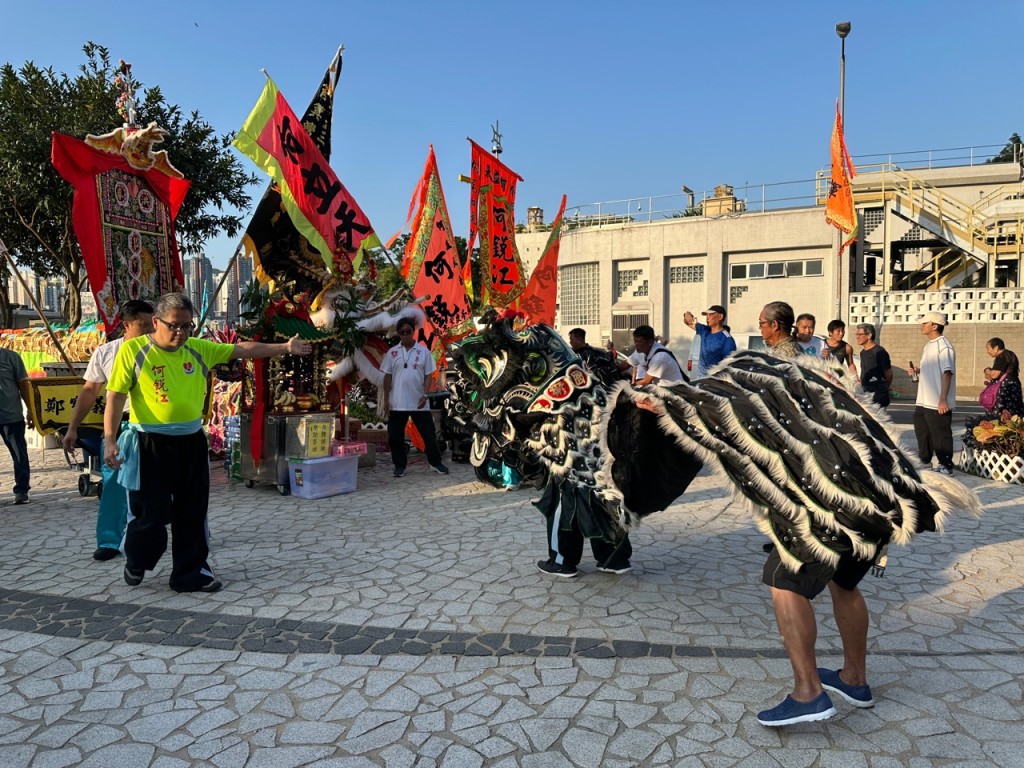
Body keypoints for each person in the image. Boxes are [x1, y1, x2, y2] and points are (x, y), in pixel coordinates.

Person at [104, 292, 313, 593]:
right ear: (155, 322)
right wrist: (110, 439)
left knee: (192, 511)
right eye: (174, 325)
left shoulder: (198, 349)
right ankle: (138, 560)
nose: (181, 333)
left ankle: (189, 574)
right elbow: (115, 397)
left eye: (187, 326)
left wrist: (285, 346)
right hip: (149, 444)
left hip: (190, 442)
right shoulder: (134, 351)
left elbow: (241, 350)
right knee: (151, 516)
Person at [755, 300, 883, 726]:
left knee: (784, 581)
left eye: (761, 323)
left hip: (826, 495)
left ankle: (809, 692)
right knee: (844, 582)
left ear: (773, 327)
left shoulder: (776, 367)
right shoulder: (820, 363)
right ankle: (854, 678)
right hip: (870, 492)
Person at [63, 300, 154, 560]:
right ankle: (109, 541)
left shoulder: (161, 349)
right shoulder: (107, 353)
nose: (150, 329)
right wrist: (73, 428)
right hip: (120, 426)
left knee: (161, 483)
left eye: (152, 324)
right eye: (143, 325)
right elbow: (90, 391)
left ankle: (169, 534)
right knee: (113, 483)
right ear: (126, 325)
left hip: (154, 425)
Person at [380, 316, 449, 478]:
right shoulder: (392, 352)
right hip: (397, 403)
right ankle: (399, 466)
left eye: (408, 331)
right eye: (402, 332)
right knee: (394, 437)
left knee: (429, 435)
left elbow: (428, 376)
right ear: (398, 333)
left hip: (419, 402)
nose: (405, 334)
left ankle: (435, 463)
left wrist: (425, 395)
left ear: (413, 331)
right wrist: (385, 399)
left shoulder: (423, 352)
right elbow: (387, 377)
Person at [906, 312, 956, 475]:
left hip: (937, 400)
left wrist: (943, 399)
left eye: (924, 323)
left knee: (940, 433)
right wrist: (918, 371)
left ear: (934, 326)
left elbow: (947, 373)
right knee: (923, 431)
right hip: (923, 399)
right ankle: (925, 461)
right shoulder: (929, 345)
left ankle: (946, 465)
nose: (921, 326)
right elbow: (935, 368)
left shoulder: (944, 346)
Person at [0, 346, 32, 504]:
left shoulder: (11, 357)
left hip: (10, 415)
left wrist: (31, 410)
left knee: (19, 453)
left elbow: (24, 385)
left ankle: (22, 490)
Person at [683, 304, 737, 377]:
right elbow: (688, 322)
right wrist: (687, 314)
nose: (707, 318)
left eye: (710, 315)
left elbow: (729, 366)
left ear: (720, 317)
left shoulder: (727, 339)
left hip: (715, 384)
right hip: (700, 382)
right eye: (706, 315)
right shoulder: (704, 330)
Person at [981, 337, 1023, 418]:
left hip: (1005, 390)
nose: (988, 351)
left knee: (1002, 415)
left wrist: (987, 370)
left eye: (988, 348)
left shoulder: (1001, 356)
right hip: (1014, 387)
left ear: (996, 348)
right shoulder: (1011, 354)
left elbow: (994, 375)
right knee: (1015, 415)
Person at [854, 324, 892, 409]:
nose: (857, 337)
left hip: (877, 394)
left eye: (860, 334)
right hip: (865, 394)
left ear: (869, 335)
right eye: (856, 334)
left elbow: (888, 373)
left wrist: (885, 387)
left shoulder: (879, 352)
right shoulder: (862, 352)